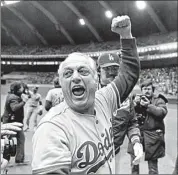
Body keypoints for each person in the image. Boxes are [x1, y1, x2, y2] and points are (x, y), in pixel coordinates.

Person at [32, 15, 140, 174]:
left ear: (94, 79)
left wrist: (125, 35)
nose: (75, 77)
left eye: (83, 71)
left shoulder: (104, 99)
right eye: (68, 74)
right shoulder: (52, 129)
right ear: (61, 84)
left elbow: (129, 74)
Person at [97, 53, 143, 163]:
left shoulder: (126, 97)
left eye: (115, 68)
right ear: (98, 71)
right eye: (107, 69)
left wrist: (136, 141)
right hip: (92, 156)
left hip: (114, 153)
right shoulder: (89, 93)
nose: (112, 73)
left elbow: (132, 123)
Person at [127, 79, 168, 174]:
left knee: (153, 168)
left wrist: (148, 106)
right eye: (145, 89)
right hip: (137, 135)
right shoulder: (135, 99)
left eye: (149, 89)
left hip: (153, 136)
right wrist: (134, 104)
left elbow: (162, 113)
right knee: (134, 166)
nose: (147, 91)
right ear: (141, 90)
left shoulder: (159, 99)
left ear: (152, 90)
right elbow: (126, 115)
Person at [2, 81, 29, 164]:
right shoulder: (13, 98)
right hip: (12, 123)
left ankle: (19, 159)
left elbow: (27, 94)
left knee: (19, 139)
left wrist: (26, 92)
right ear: (17, 89)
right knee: (8, 141)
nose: (22, 88)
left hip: (13, 122)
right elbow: (14, 108)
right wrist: (24, 102)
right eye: (20, 87)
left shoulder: (13, 95)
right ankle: (6, 159)